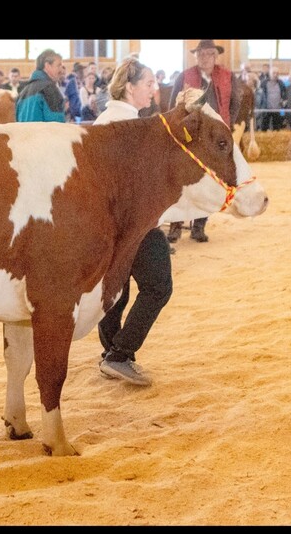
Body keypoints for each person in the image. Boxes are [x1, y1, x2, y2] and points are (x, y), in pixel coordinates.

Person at [92, 58, 170, 386]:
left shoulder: (107, 118)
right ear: (130, 86)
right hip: (133, 221)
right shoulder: (127, 126)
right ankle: (120, 354)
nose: (154, 89)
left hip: (108, 221)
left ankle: (111, 352)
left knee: (118, 291)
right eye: (149, 83)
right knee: (158, 286)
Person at [167, 40, 241, 244]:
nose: (205, 58)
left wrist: (228, 124)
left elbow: (236, 101)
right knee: (182, 181)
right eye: (201, 54)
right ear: (196, 56)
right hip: (189, 136)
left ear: (216, 56)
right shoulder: (185, 76)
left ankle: (199, 226)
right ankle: (175, 226)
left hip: (214, 139)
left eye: (209, 54)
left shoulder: (227, 76)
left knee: (209, 182)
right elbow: (172, 102)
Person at [15, 48, 66, 122]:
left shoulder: (22, 93)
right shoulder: (49, 89)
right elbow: (57, 126)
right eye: (58, 65)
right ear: (47, 66)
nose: (61, 70)